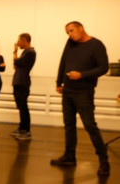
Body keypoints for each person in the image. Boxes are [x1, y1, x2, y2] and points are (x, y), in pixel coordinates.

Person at [50, 21, 110, 176]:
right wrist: (59, 82)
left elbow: (104, 67)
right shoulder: (70, 43)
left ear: (81, 28)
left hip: (84, 92)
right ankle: (69, 156)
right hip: (68, 91)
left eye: (71, 31)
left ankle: (104, 161)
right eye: (67, 32)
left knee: (90, 126)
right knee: (69, 125)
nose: (69, 34)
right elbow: (63, 61)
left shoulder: (96, 45)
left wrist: (82, 75)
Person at [10, 34, 36, 141]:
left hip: (23, 83)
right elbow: (16, 66)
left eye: (19, 40)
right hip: (19, 82)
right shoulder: (25, 52)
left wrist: (15, 52)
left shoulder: (30, 52)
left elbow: (16, 62)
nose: (17, 43)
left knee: (23, 107)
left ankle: (27, 131)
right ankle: (22, 128)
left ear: (24, 40)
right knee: (21, 107)